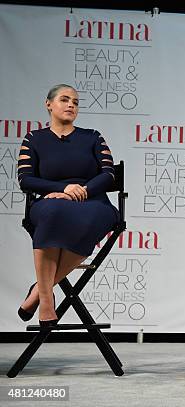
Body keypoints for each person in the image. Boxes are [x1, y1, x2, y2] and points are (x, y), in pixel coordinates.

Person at [17, 84, 118, 327]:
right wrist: (61, 189)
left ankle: (40, 290)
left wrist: (80, 191)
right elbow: (25, 179)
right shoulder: (34, 139)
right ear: (49, 104)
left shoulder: (92, 137)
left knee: (92, 218)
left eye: (75, 101)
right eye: (64, 99)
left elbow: (109, 174)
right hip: (50, 199)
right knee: (52, 212)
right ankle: (46, 302)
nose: (71, 104)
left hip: (92, 199)